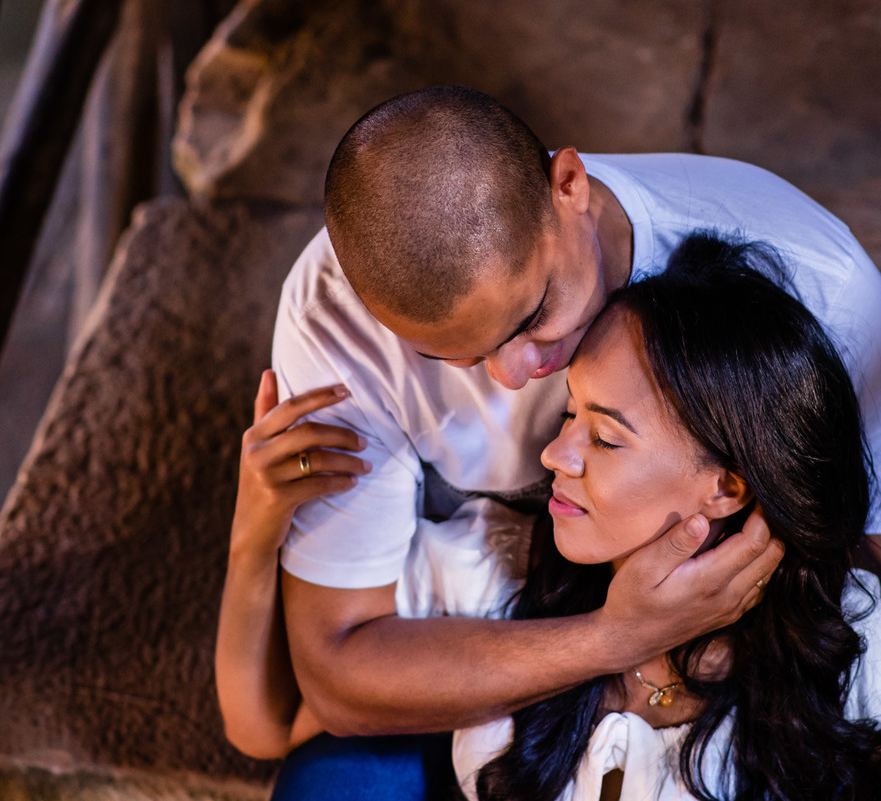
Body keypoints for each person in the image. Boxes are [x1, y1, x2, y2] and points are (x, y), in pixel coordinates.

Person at [263, 85, 881, 765]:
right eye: (459, 357)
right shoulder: (342, 309)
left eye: (533, 315)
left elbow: (851, 547)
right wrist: (620, 636)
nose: (514, 374)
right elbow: (336, 677)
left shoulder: (821, 285)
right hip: (512, 617)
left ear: (569, 183)